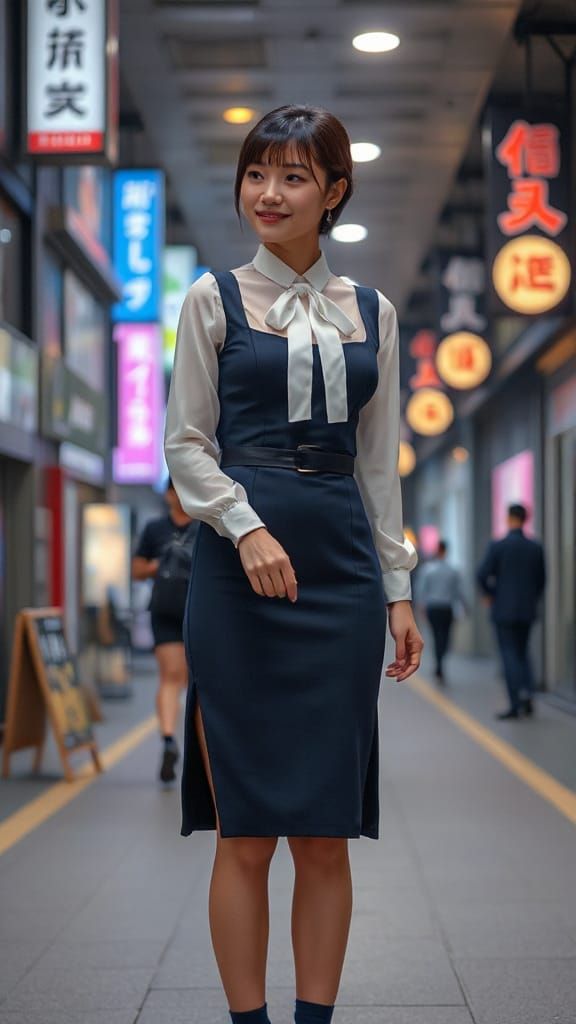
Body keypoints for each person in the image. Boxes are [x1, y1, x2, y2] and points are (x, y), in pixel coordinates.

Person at [164, 105, 423, 1024]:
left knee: (324, 832)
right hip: (239, 580)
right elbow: (186, 446)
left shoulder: (375, 314)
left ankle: (314, 1019)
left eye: (294, 176)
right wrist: (244, 524)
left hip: (342, 576)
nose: (268, 194)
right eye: (256, 174)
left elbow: (377, 464)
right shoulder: (212, 299)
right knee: (245, 833)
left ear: (335, 192)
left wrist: (398, 591)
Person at [132, 479, 198, 781]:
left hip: (199, 611)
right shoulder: (155, 528)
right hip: (166, 611)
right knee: (174, 677)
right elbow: (136, 571)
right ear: (168, 494)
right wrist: (161, 565)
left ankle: (174, 740)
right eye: (175, 490)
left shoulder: (205, 525)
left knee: (181, 680)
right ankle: (171, 740)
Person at [477, 503, 546, 721]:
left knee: (509, 655)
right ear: (525, 519)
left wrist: (491, 594)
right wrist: (531, 599)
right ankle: (528, 695)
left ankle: (515, 703)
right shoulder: (535, 547)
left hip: (503, 610)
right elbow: (541, 581)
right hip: (527, 610)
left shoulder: (498, 546)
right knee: (523, 651)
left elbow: (481, 574)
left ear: (509, 519)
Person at [416, 539, 467, 683]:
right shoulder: (453, 571)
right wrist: (465, 606)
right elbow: (459, 591)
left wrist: (421, 606)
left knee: (435, 635)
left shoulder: (427, 570)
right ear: (446, 551)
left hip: (433, 608)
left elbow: (421, 589)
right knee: (445, 637)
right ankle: (441, 660)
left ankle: (438, 663)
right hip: (447, 608)